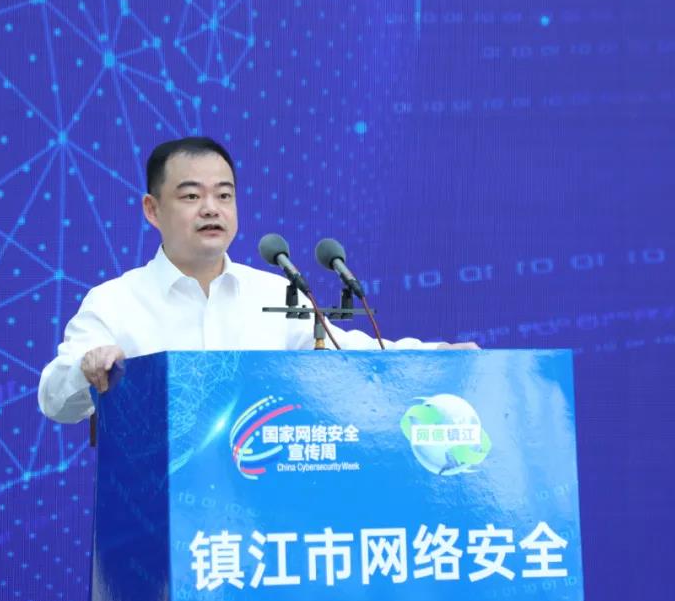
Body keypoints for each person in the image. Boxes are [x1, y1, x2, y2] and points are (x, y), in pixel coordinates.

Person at [37, 137, 477, 423]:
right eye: (191, 196)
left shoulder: (274, 292)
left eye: (224, 195)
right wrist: (85, 367)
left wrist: (437, 357)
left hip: (260, 507)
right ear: (152, 210)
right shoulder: (114, 301)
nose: (211, 208)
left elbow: (350, 354)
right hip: (157, 506)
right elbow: (54, 401)